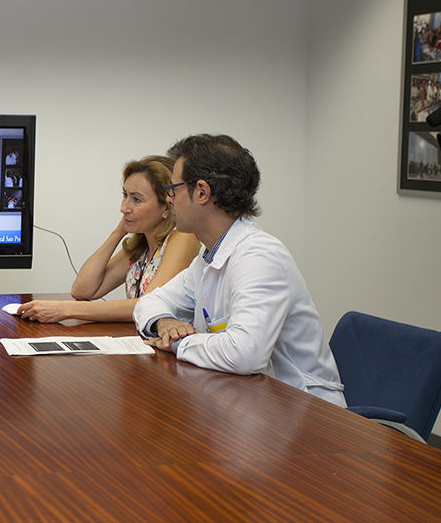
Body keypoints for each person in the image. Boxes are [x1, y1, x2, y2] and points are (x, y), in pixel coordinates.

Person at [133, 134, 346, 406]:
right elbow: (149, 302)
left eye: (173, 189)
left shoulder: (260, 256)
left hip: (307, 412)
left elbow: (246, 353)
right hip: (246, 401)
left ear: (201, 192)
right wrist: (165, 324)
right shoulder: (208, 257)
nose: (170, 199)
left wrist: (177, 343)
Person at [18, 156, 199, 323]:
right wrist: (118, 233)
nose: (124, 208)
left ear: (166, 207)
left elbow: (150, 305)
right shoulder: (141, 246)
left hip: (171, 351)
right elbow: (83, 290)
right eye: (125, 195)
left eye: (136, 199)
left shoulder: (183, 238)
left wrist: (68, 309)